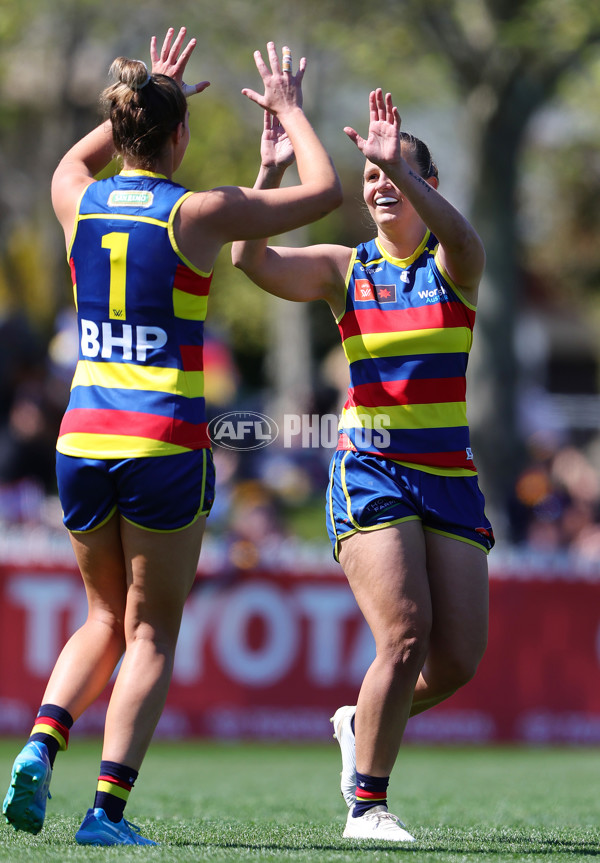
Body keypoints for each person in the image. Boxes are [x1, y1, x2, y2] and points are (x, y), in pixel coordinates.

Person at [2, 27, 341, 847]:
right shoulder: (199, 212)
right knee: (150, 629)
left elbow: (79, 159)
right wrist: (291, 114)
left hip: (81, 439)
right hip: (162, 444)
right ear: (180, 134)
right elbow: (327, 192)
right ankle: (105, 814)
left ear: (120, 130)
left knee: (100, 618)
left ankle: (43, 742)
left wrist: (154, 90)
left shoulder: (75, 195)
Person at [232, 88, 494, 842]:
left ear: (426, 188)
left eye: (395, 175)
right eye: (372, 176)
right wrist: (270, 168)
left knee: (457, 661)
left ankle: (357, 721)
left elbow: (467, 241)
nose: (378, 184)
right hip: (372, 469)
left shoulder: (455, 266)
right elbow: (251, 257)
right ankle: (367, 806)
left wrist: (401, 168)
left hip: (449, 477)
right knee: (405, 635)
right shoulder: (346, 270)